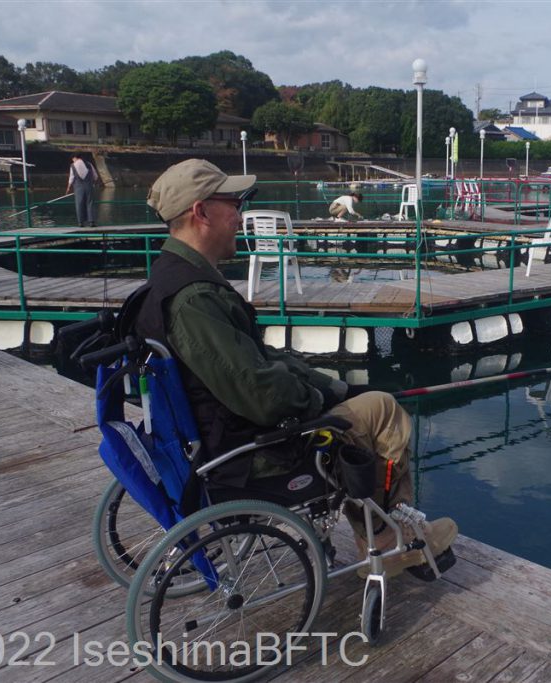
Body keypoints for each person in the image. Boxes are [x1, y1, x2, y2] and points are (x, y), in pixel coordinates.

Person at [139, 159, 456, 576]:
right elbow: (262, 394)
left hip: (213, 437)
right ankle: (382, 541)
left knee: (361, 401)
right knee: (384, 410)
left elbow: (257, 366)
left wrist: (335, 390)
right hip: (249, 454)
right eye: (235, 203)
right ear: (201, 213)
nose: (240, 215)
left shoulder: (167, 278)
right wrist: (318, 399)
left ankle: (378, 530)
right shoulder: (195, 299)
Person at [66, 154, 101, 227]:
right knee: (90, 203)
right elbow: (95, 176)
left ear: (75, 158)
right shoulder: (89, 164)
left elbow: (71, 178)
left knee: (79, 204)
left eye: (73, 159)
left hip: (78, 188)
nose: (73, 160)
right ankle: (91, 222)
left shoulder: (73, 165)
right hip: (89, 187)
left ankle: (81, 223)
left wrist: (68, 188)